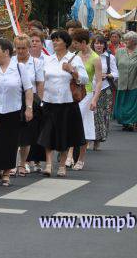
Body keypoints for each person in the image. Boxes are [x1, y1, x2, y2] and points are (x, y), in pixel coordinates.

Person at [37, 30, 88, 177]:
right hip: (49, 101)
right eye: (53, 40)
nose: (54, 42)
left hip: (67, 103)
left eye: (57, 40)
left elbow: (85, 79)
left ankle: (62, 165)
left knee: (64, 135)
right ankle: (48, 164)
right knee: (47, 134)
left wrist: (72, 71)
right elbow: (41, 79)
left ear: (65, 43)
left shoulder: (74, 59)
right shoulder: (47, 59)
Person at [0, 38, 33, 186]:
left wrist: (29, 108)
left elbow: (28, 89)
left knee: (10, 143)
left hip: (12, 110)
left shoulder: (19, 67)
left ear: (6, 52)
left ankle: (7, 172)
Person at [66, 29, 102, 170]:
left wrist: (95, 99)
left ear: (83, 42)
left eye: (76, 43)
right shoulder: (74, 56)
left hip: (87, 94)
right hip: (74, 93)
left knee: (84, 126)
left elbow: (99, 81)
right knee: (72, 124)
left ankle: (80, 158)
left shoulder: (95, 58)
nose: (73, 45)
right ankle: (70, 155)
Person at [13, 34, 44, 176]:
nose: (20, 51)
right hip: (13, 99)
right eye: (18, 48)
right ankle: (12, 163)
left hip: (30, 100)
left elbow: (40, 83)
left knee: (26, 135)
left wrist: (40, 102)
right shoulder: (11, 61)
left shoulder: (36, 63)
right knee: (13, 133)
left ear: (29, 48)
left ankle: (23, 163)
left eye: (23, 48)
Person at [114, 32, 137, 131]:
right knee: (122, 104)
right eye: (125, 39)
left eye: (128, 40)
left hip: (135, 82)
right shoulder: (119, 51)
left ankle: (130, 122)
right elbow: (114, 66)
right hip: (121, 82)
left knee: (132, 104)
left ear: (134, 41)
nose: (125, 41)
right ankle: (124, 122)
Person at [25, 30, 47, 171]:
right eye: (32, 41)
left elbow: (42, 82)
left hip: (40, 97)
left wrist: (41, 100)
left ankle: (37, 160)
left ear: (42, 44)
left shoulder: (47, 59)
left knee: (38, 130)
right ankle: (26, 160)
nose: (34, 43)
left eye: (37, 41)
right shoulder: (21, 58)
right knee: (27, 131)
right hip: (25, 98)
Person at [91, 35, 117, 149]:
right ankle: (89, 139)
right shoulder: (88, 56)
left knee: (104, 115)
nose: (99, 45)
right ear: (93, 44)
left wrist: (106, 75)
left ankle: (98, 141)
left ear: (104, 45)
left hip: (105, 89)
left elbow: (116, 74)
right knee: (92, 114)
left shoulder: (109, 57)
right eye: (96, 43)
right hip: (90, 89)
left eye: (101, 43)